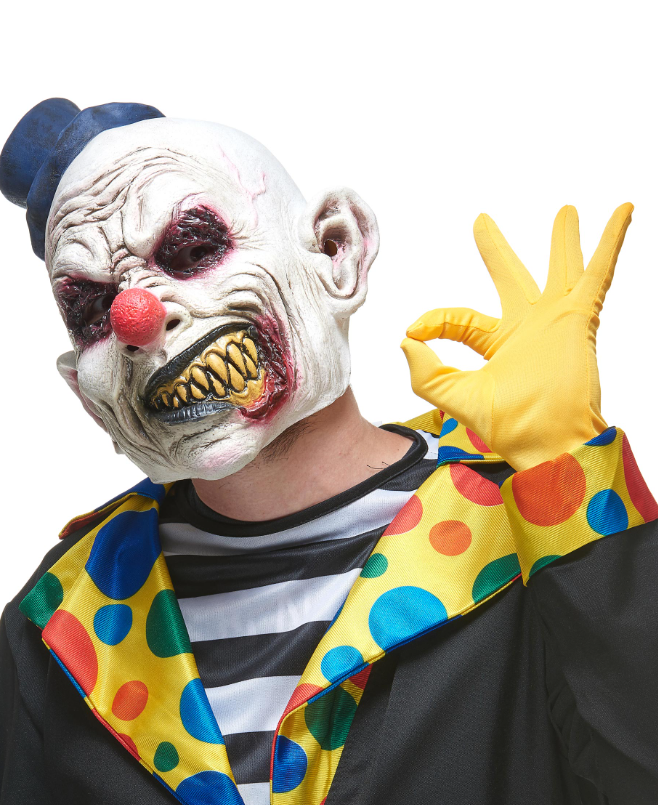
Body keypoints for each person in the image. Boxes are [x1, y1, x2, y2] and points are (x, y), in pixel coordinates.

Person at [0, 98, 657, 805]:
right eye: (92, 310)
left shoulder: (528, 530)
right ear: (84, 390)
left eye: (193, 250)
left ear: (338, 252)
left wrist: (570, 472)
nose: (138, 319)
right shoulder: (58, 620)